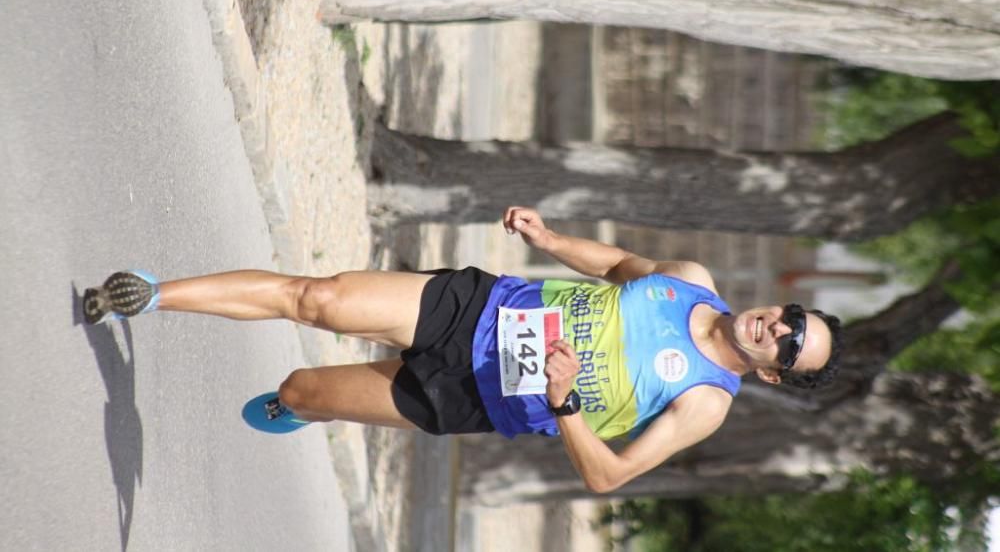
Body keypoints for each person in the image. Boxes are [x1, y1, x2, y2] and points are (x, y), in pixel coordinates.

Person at [83, 206, 842, 493]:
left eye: (790, 344)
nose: (778, 325)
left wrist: (565, 400)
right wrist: (550, 240)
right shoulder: (692, 281)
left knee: (304, 388)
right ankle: (154, 294)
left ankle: (301, 406)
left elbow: (609, 474)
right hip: (477, 307)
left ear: (773, 371)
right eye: (792, 316)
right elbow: (619, 266)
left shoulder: (706, 401)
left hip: (481, 397)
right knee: (318, 298)